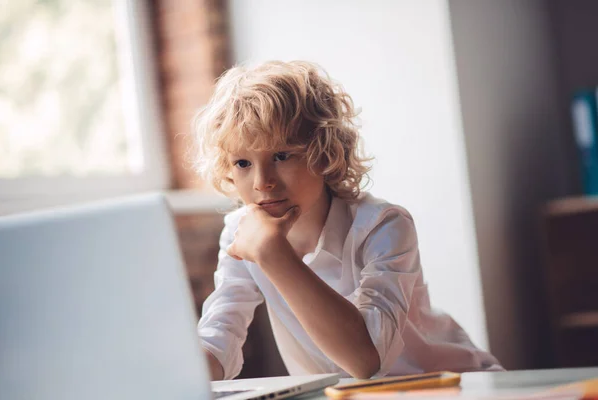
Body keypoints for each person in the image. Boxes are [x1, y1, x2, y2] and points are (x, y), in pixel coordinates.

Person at [192, 60, 502, 381]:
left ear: (325, 153)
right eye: (243, 162)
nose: (262, 182)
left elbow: (365, 361)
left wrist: (274, 255)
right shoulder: (239, 233)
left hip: (454, 385)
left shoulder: (383, 225)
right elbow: (219, 340)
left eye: (281, 156)